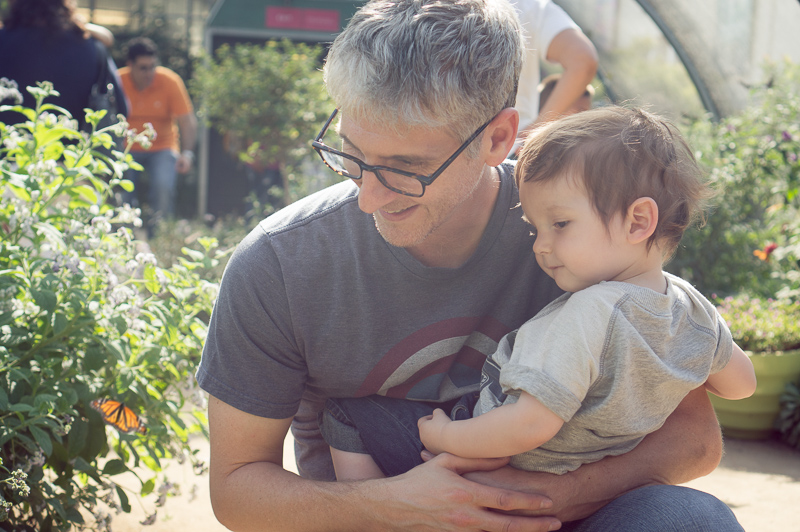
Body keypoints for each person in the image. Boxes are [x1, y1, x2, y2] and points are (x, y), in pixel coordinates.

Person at [196, 1, 743, 531]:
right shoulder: (278, 264)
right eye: (350, 155)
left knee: (695, 521)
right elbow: (238, 490)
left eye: (407, 168)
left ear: (498, 137)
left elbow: (694, 440)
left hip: (555, 509)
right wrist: (393, 507)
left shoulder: (576, 230)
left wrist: (544, 497)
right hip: (378, 518)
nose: (367, 198)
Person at [320, 106, 757, 483]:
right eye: (535, 227)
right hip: (591, 464)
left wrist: (445, 436)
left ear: (638, 221)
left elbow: (528, 424)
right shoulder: (692, 308)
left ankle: (381, 514)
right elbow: (741, 385)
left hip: (496, 454)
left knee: (346, 414)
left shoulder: (590, 313)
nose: (540, 246)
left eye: (560, 224)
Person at [0, 0, 127, 131]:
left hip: (8, 145)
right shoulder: (92, 47)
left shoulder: (3, 41)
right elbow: (120, 109)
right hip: (73, 149)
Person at [118, 37, 196, 228]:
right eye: (143, 68)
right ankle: (124, 233)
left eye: (152, 66)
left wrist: (187, 154)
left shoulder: (170, 81)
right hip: (127, 147)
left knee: (163, 186)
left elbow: (187, 121)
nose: (149, 73)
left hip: (162, 146)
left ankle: (159, 233)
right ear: (130, 65)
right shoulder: (117, 81)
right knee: (122, 188)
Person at [513, 0, 598, 153]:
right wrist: (538, 129)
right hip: (508, 147)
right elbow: (583, 60)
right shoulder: (529, 7)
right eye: (580, 110)